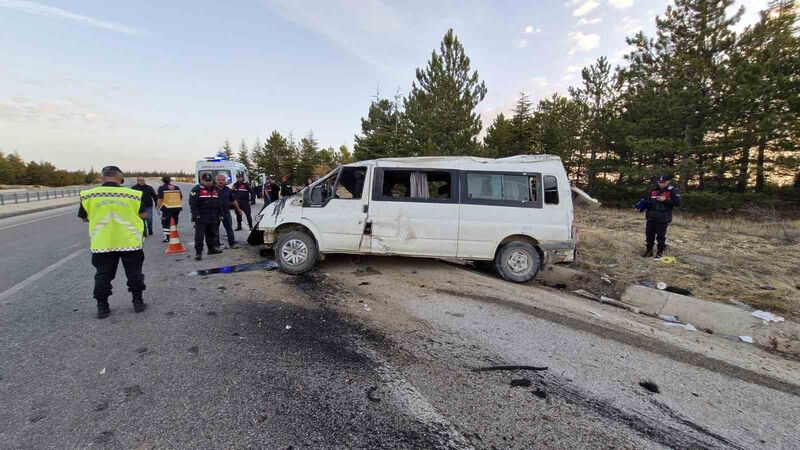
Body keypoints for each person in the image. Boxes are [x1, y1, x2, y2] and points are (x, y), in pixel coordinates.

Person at [78, 166, 148, 319]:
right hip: (129, 241)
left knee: (102, 275)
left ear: (102, 178)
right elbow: (143, 215)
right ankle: (138, 302)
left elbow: (84, 218)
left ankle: (102, 307)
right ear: (120, 177)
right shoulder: (133, 194)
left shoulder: (89, 195)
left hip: (102, 243)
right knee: (134, 272)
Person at [637, 174, 682, 259]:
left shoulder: (672, 190)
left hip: (663, 217)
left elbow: (677, 203)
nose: (661, 184)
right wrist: (641, 208)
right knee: (649, 235)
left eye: (663, 182)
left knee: (660, 236)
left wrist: (665, 200)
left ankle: (659, 252)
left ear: (668, 181)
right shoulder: (653, 190)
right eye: (659, 182)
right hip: (651, 216)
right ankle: (649, 251)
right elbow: (648, 201)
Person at [189, 173, 224, 260]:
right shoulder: (196, 189)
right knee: (199, 236)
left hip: (213, 216)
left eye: (210, 181)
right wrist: (196, 215)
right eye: (206, 181)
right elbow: (193, 204)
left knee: (211, 234)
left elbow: (219, 203)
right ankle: (198, 252)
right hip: (201, 217)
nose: (208, 183)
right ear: (202, 181)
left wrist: (221, 213)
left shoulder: (215, 190)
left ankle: (211, 249)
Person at [215, 173, 241, 249]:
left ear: (225, 181)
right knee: (215, 229)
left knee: (229, 228)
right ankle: (216, 245)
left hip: (226, 212)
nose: (221, 181)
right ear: (216, 180)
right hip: (215, 213)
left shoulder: (227, 189)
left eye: (222, 180)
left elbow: (233, 200)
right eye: (219, 180)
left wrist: (238, 209)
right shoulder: (212, 189)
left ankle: (232, 243)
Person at [156, 176, 183, 243]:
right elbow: (180, 197)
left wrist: (157, 207)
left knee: (165, 223)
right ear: (170, 180)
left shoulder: (161, 188)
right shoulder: (176, 187)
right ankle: (174, 234)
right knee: (174, 221)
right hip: (177, 207)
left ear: (163, 181)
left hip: (167, 208)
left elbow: (160, 199)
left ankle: (168, 237)